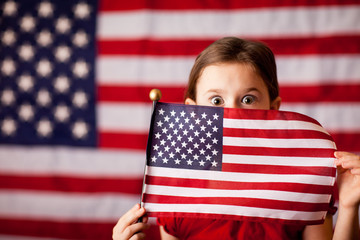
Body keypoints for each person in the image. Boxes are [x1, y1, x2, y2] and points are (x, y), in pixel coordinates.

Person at [113, 37, 360, 240]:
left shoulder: (302, 184)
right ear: (192, 111)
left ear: (274, 110)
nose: (232, 113)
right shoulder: (180, 192)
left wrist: (349, 207)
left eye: (248, 99)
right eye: (216, 101)